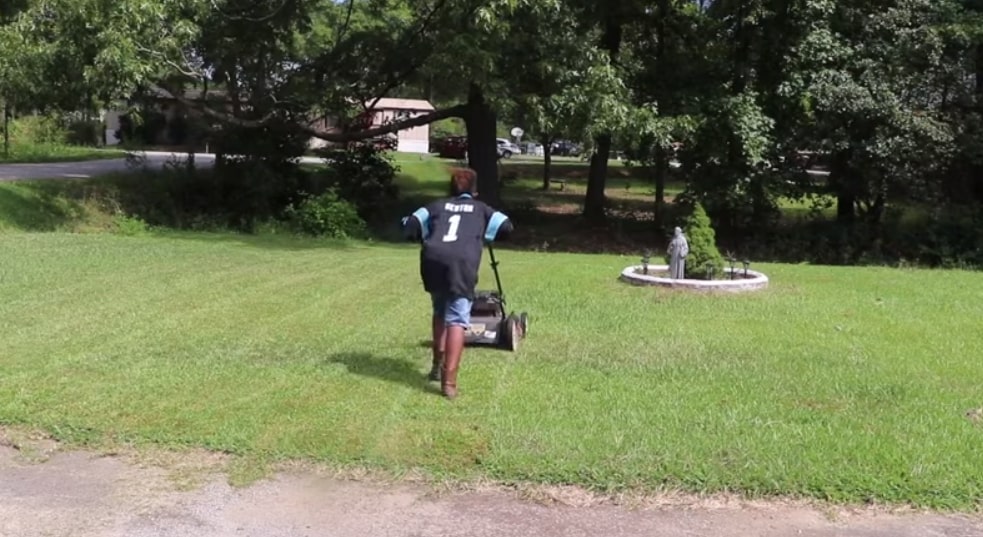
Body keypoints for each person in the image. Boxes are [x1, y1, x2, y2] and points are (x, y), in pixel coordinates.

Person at [401, 167, 514, 399]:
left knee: (440, 310)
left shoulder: (435, 206)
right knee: (457, 319)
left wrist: (422, 233)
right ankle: (449, 383)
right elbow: (506, 226)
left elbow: (410, 224)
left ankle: (436, 364)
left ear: (451, 190)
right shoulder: (482, 209)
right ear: (475, 192)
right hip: (461, 263)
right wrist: (485, 234)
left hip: (433, 260)